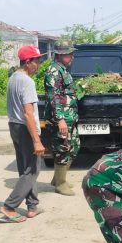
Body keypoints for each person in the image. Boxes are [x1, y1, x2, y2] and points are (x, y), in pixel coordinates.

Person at [0, 46, 46, 223]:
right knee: (32, 169)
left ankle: (32, 206)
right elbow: (28, 113)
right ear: (28, 62)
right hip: (25, 128)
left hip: (14, 126)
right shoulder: (27, 82)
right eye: (37, 61)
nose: (38, 65)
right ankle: (9, 206)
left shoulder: (13, 78)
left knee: (25, 168)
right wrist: (36, 141)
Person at [44, 40, 79, 196]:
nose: (72, 56)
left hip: (69, 117)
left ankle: (58, 178)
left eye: (72, 53)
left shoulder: (63, 69)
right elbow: (54, 97)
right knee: (63, 149)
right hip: (61, 118)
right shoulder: (53, 71)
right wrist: (60, 120)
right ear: (60, 54)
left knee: (75, 146)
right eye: (69, 54)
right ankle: (60, 183)